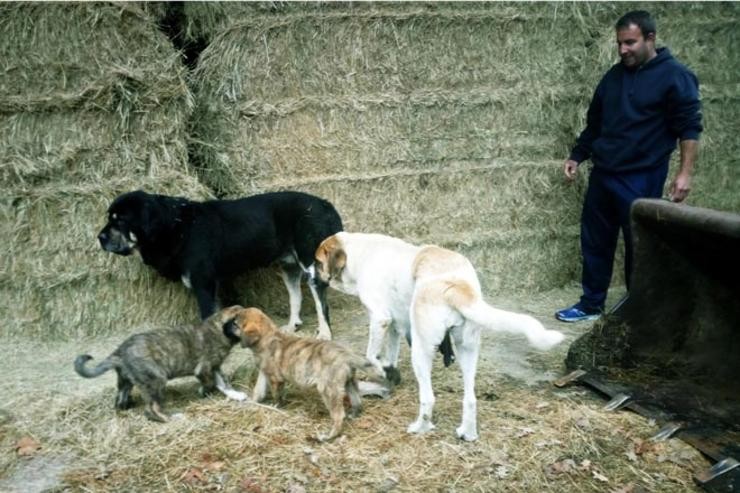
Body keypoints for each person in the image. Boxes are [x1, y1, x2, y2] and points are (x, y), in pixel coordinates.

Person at [555, 10, 702, 322]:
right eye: (620, 43)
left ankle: (639, 313)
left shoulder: (676, 76)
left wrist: (685, 173)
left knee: (639, 247)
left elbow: (690, 128)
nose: (622, 50)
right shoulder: (614, 76)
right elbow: (595, 123)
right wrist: (577, 156)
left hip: (642, 176)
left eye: (630, 42)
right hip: (604, 174)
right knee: (594, 241)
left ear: (650, 38)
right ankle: (591, 304)